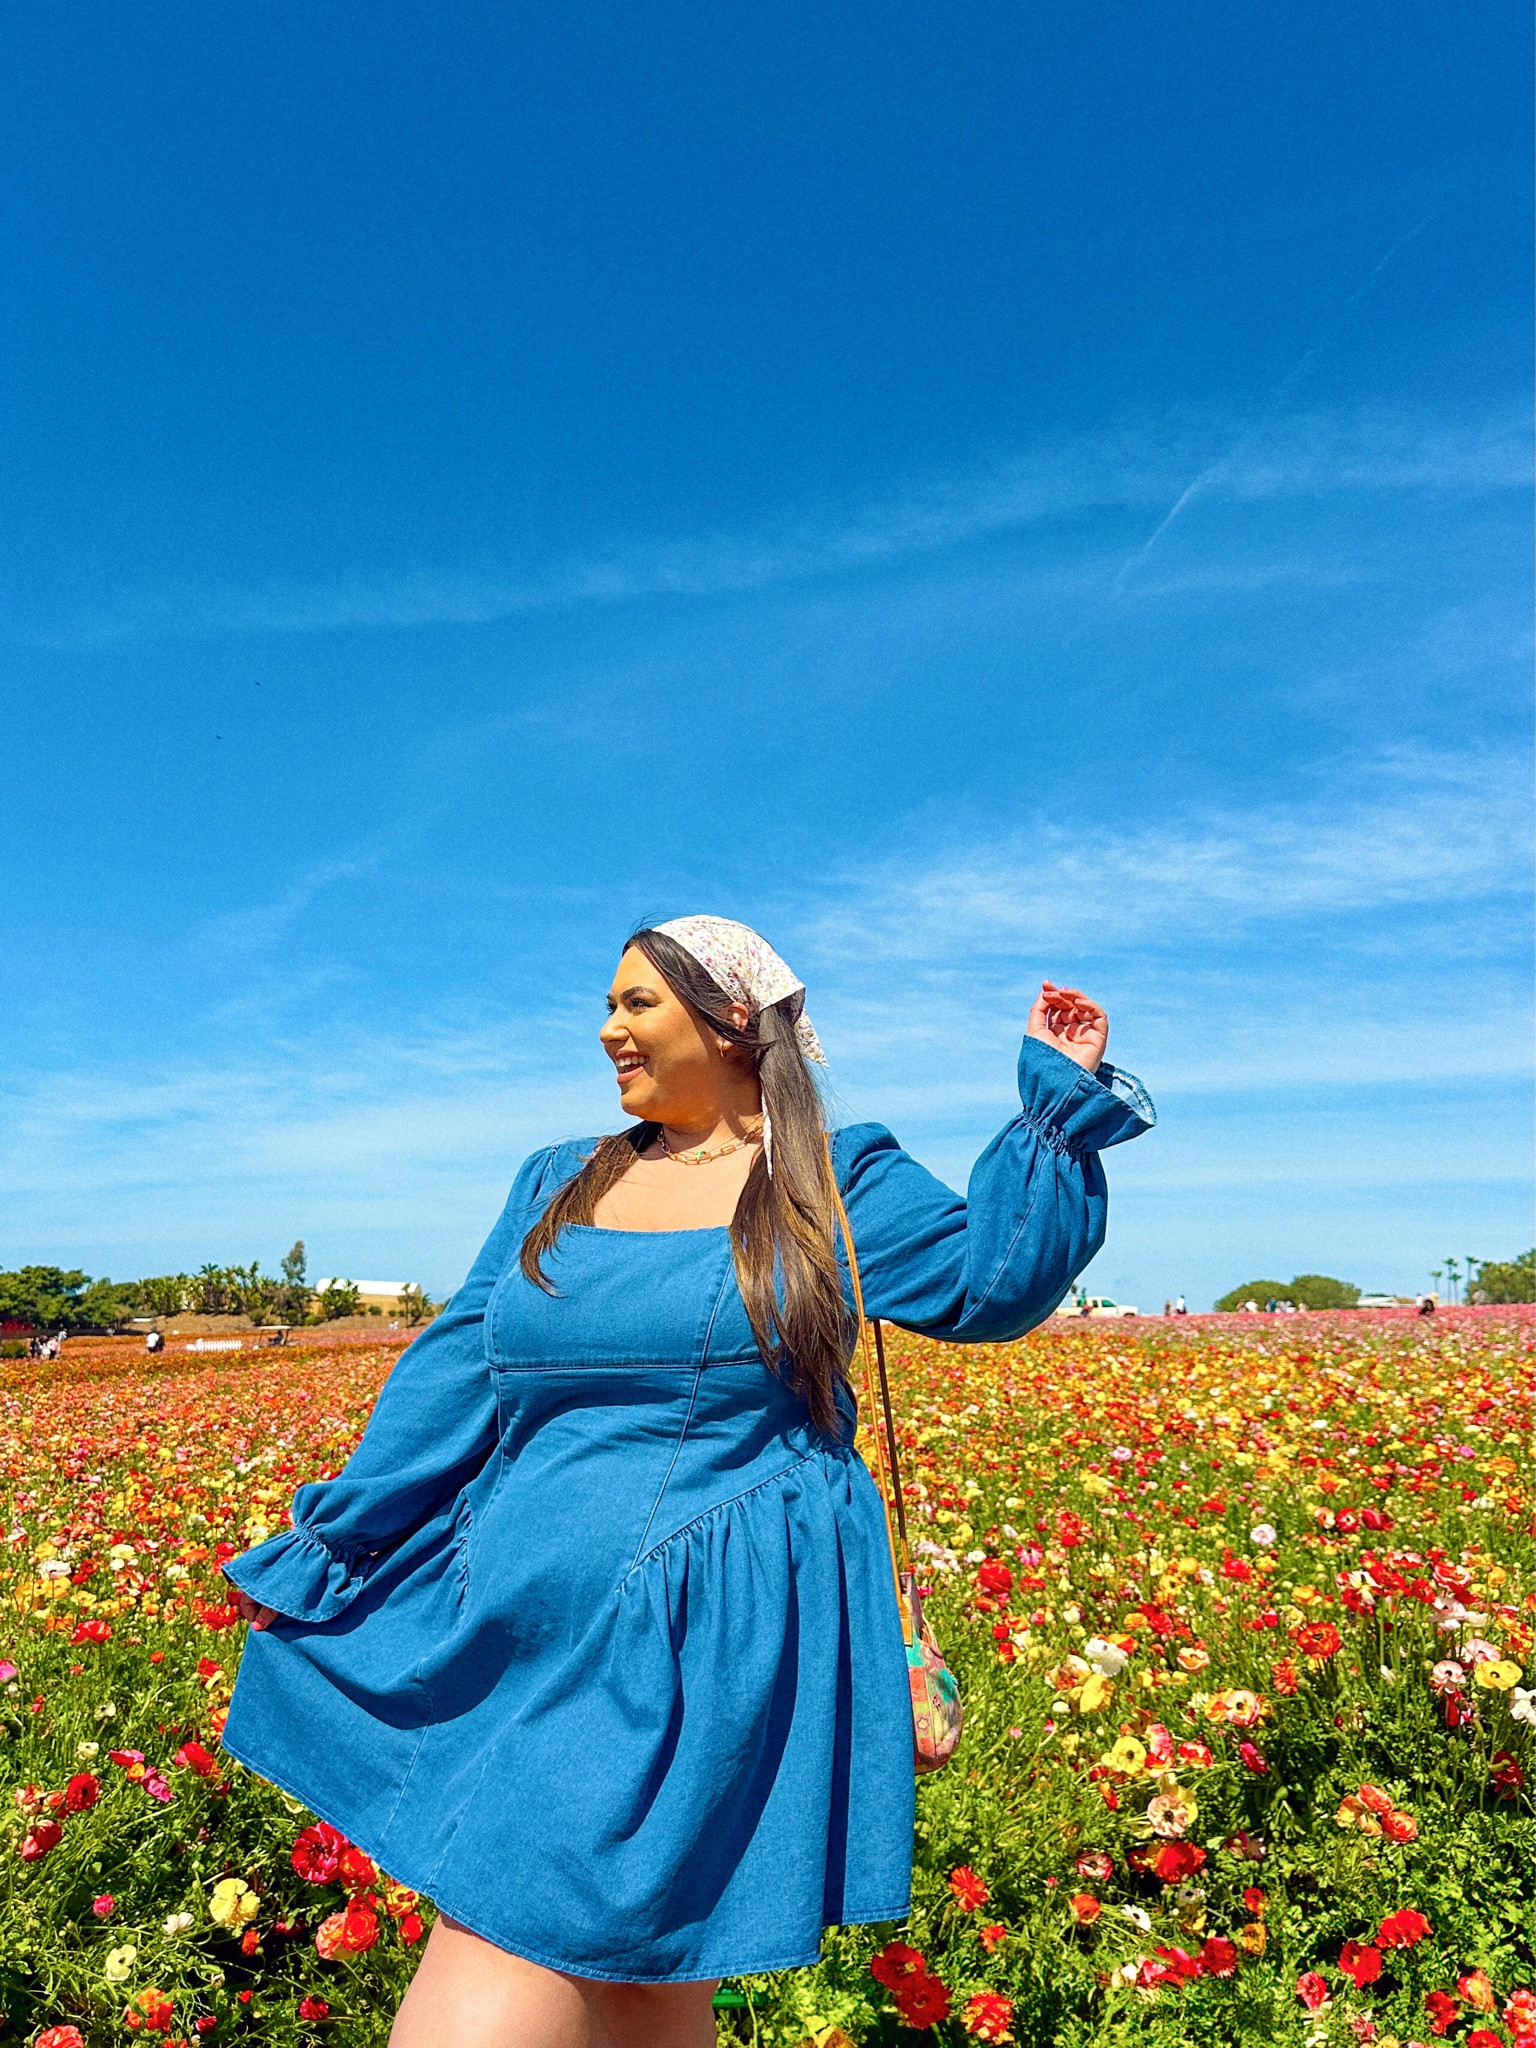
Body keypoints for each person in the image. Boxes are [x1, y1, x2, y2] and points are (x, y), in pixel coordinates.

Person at [221, 917, 1154, 2048]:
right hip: (517, 1620)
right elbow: (456, 1370)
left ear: (728, 1023)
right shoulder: (558, 1179)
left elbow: (988, 1281)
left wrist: (1059, 1095)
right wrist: (336, 1547)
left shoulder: (830, 1175)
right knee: (638, 1991)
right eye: (607, 1005)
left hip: (692, 1637)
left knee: (513, 1965)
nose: (608, 1028)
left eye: (637, 1003)